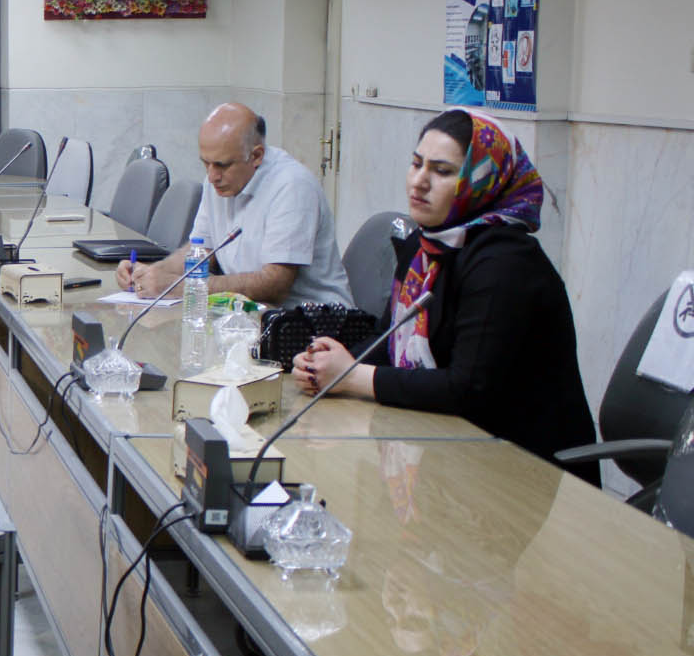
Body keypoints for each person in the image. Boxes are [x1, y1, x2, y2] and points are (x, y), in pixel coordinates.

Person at [290, 110, 597, 479]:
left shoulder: (505, 262)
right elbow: (388, 340)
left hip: (523, 465)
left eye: (442, 171)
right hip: (445, 446)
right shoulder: (426, 244)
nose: (420, 181)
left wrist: (352, 376)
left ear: (482, 181)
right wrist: (326, 365)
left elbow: (467, 389)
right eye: (416, 164)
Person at [116, 103, 351, 306]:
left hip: (313, 324)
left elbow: (275, 285)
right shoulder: (217, 180)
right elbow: (201, 251)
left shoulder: (292, 186)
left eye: (222, 165)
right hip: (247, 314)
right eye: (206, 163)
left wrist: (177, 287)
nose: (212, 176)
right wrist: (151, 273)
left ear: (256, 156)